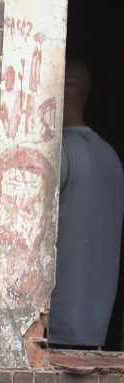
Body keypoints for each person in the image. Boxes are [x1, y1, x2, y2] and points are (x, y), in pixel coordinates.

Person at [48, 57, 124, 349]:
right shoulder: (112, 159)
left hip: (55, 329)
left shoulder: (59, 153)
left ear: (63, 89)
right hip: (97, 330)